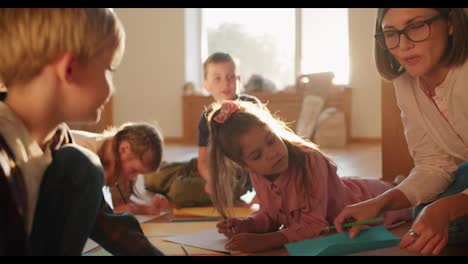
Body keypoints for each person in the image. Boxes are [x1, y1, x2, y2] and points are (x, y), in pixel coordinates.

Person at [0, 8, 163, 255]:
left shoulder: (60, 145)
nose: (111, 89)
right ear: (69, 69)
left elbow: (108, 226)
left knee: (81, 163)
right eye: (109, 69)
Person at [333, 8, 468, 256]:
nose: (403, 45)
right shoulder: (406, 82)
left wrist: (448, 209)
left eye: (416, 26)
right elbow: (433, 165)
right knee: (424, 212)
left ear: (450, 23)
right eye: (391, 33)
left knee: (446, 217)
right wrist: (379, 203)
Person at [206, 100, 412, 253]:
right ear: (244, 165)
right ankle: (397, 182)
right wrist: (248, 225)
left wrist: (264, 241)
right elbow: (271, 216)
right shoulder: (258, 174)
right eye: (256, 155)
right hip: (346, 191)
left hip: (364, 200)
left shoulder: (311, 161)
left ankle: (398, 183)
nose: (271, 153)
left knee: (411, 201)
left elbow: (314, 226)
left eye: (271, 141)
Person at [71, 122, 170, 215]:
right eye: (134, 170)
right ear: (124, 149)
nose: (133, 177)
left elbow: (119, 204)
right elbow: (74, 213)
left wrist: (148, 209)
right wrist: (113, 212)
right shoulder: (81, 154)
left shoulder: (117, 159)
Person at [198, 52, 260, 196]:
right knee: (178, 179)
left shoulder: (251, 106)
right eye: (217, 79)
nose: (225, 83)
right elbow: (202, 162)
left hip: (248, 173)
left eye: (230, 77)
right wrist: (212, 180)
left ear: (238, 80)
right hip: (220, 172)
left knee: (181, 191)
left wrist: (262, 190)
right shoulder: (207, 116)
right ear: (206, 85)